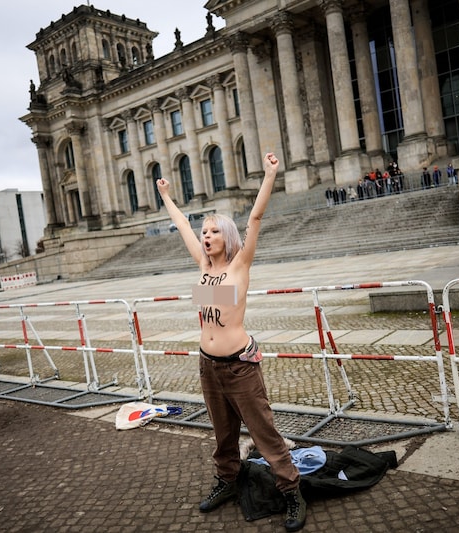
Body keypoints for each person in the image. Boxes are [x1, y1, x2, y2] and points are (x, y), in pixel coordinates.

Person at [156, 153, 307, 532]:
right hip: (209, 366)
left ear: (229, 237)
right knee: (223, 436)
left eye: (213, 232)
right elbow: (182, 227)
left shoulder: (240, 267)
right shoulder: (203, 267)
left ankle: (291, 491)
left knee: (264, 434)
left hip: (240, 366)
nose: (206, 237)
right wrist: (167, 197)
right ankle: (227, 481)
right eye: (204, 233)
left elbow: (255, 218)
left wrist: (271, 174)